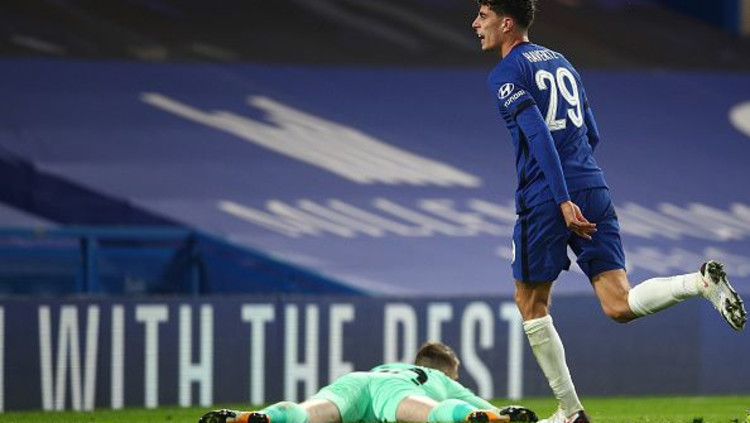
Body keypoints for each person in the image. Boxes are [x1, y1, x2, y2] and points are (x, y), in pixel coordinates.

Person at [470, 1, 747, 422]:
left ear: (506, 23)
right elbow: (591, 131)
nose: (475, 23)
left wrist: (562, 198)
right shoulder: (562, 62)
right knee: (619, 304)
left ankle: (570, 411)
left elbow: (539, 134)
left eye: (483, 16)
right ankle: (699, 283)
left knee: (530, 301)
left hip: (548, 196)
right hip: (592, 184)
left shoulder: (506, 73)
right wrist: (578, 179)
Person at [198, 341, 537, 423]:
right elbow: (491, 408)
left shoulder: (384, 367)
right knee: (436, 413)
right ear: (447, 370)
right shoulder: (438, 378)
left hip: (356, 381)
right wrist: (497, 414)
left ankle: (262, 417)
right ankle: (468, 421)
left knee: (307, 412)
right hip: (394, 394)